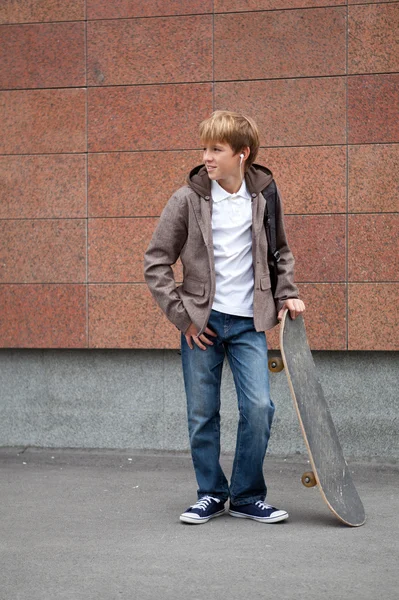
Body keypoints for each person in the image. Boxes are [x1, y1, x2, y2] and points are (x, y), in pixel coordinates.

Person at [144, 110, 305, 525]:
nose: (206, 157)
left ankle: (248, 494)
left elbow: (280, 250)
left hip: (249, 322)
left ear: (242, 154)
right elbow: (156, 262)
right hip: (203, 323)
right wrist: (184, 319)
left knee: (260, 407)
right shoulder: (187, 199)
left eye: (216, 149)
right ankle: (211, 493)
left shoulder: (264, 194)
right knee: (203, 413)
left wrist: (287, 294)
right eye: (205, 148)